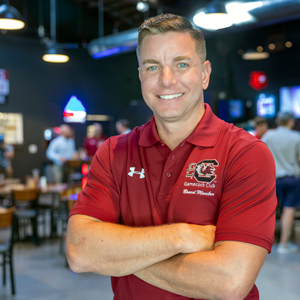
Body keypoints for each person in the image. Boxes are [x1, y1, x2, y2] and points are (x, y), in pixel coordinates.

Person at [66, 14, 277, 300]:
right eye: (153, 67)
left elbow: (228, 282)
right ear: (141, 75)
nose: (167, 80)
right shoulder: (113, 152)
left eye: (181, 64)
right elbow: (80, 252)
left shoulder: (246, 153)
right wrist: (183, 236)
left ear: (204, 73)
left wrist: (119, 255)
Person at [262, 111, 300, 254]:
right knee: (288, 209)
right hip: (292, 179)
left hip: (273, 179)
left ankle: (264, 243)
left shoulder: (269, 136)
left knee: (271, 209)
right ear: (290, 121)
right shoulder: (296, 137)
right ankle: (284, 244)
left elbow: (261, 153)